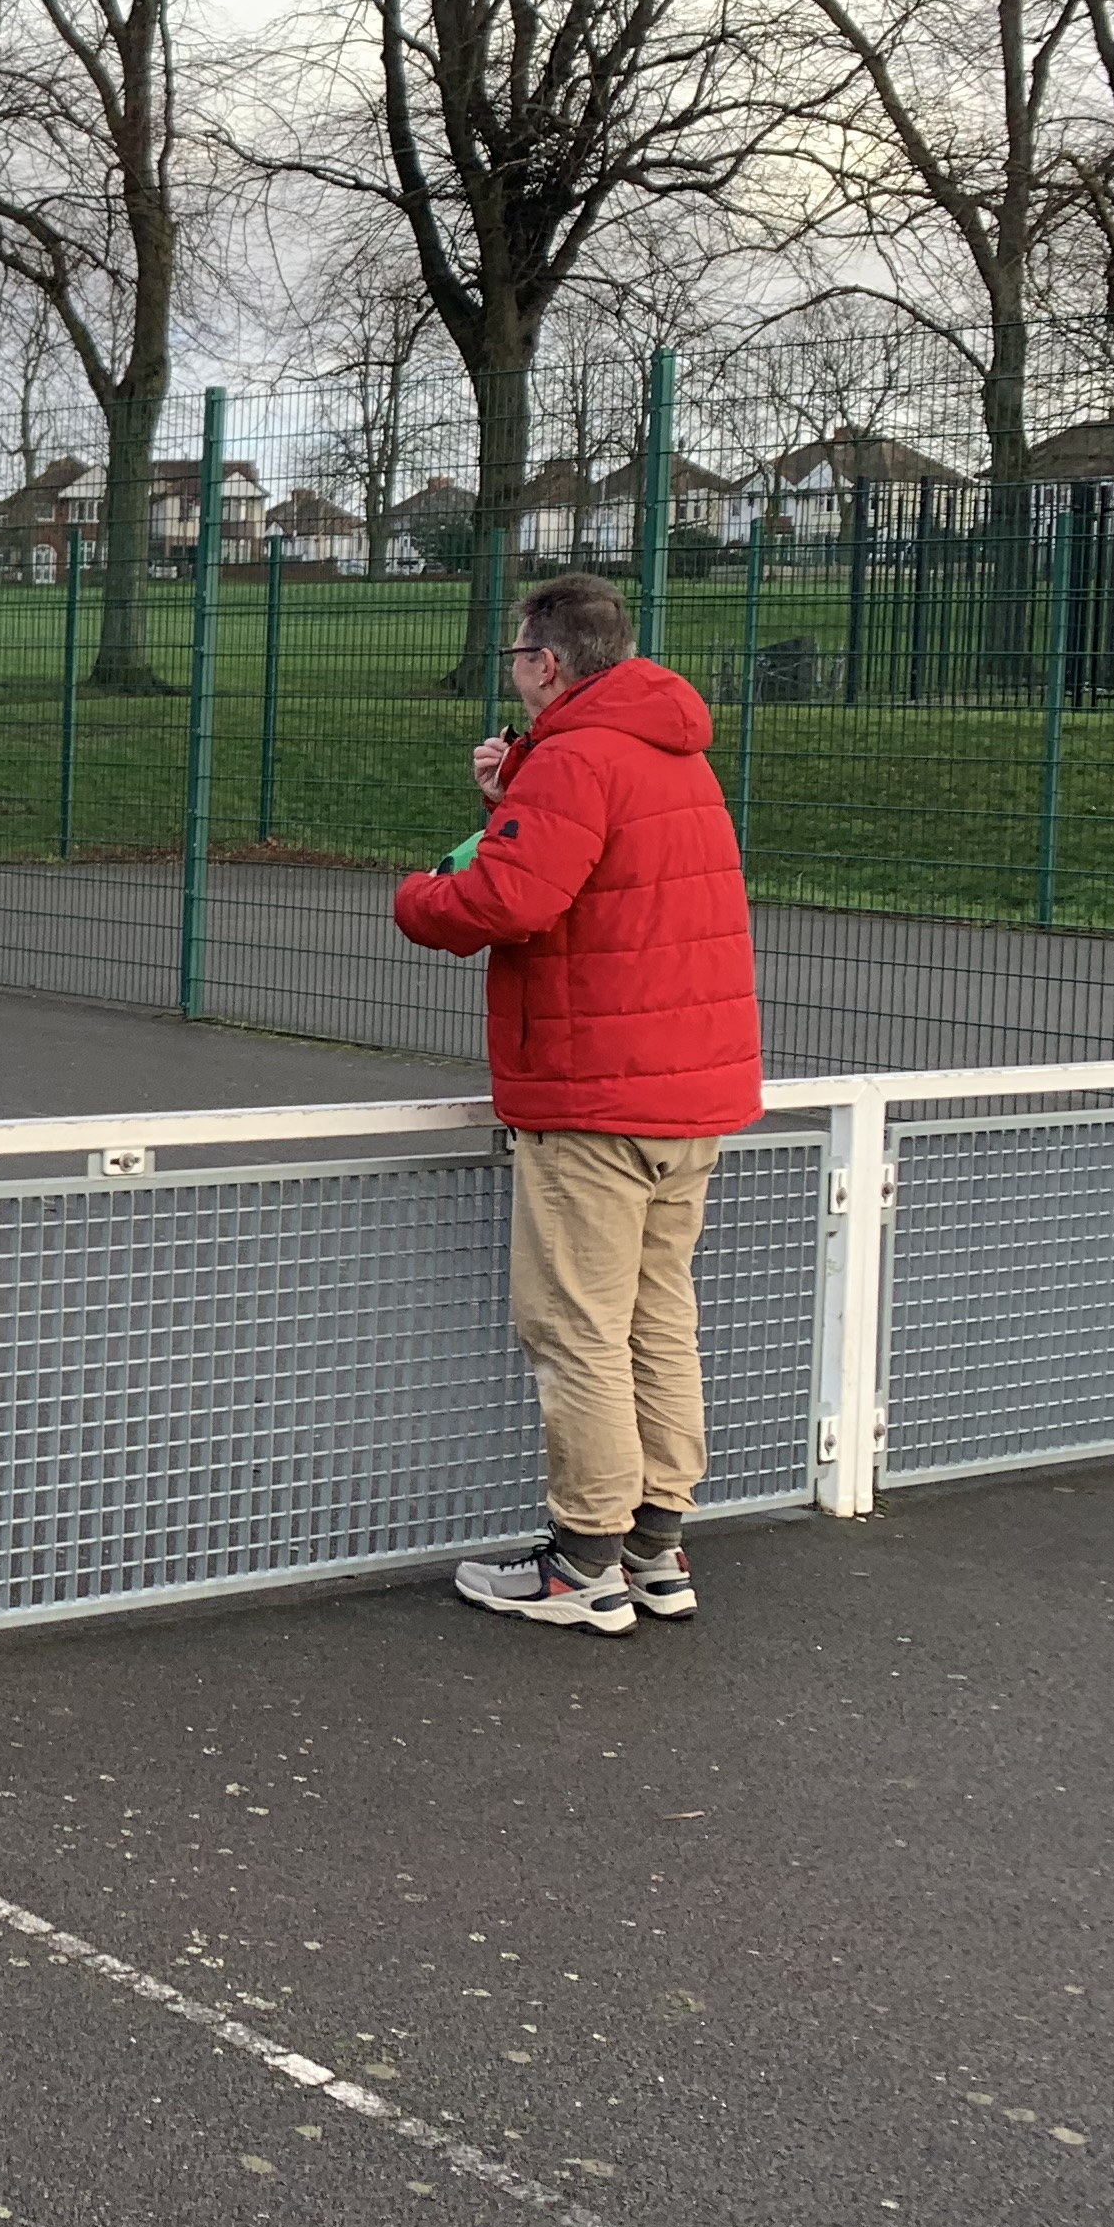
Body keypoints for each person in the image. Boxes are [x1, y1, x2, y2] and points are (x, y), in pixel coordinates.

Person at [393, 573, 761, 1637]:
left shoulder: (575, 756)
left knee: (574, 1327)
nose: (512, 670)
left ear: (546, 665)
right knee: (658, 1319)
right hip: (690, 1091)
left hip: (598, 1094)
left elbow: (508, 897)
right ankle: (655, 1548)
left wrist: (417, 892)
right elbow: (592, 867)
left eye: (516, 657)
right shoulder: (665, 747)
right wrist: (513, 796)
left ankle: (582, 1560)